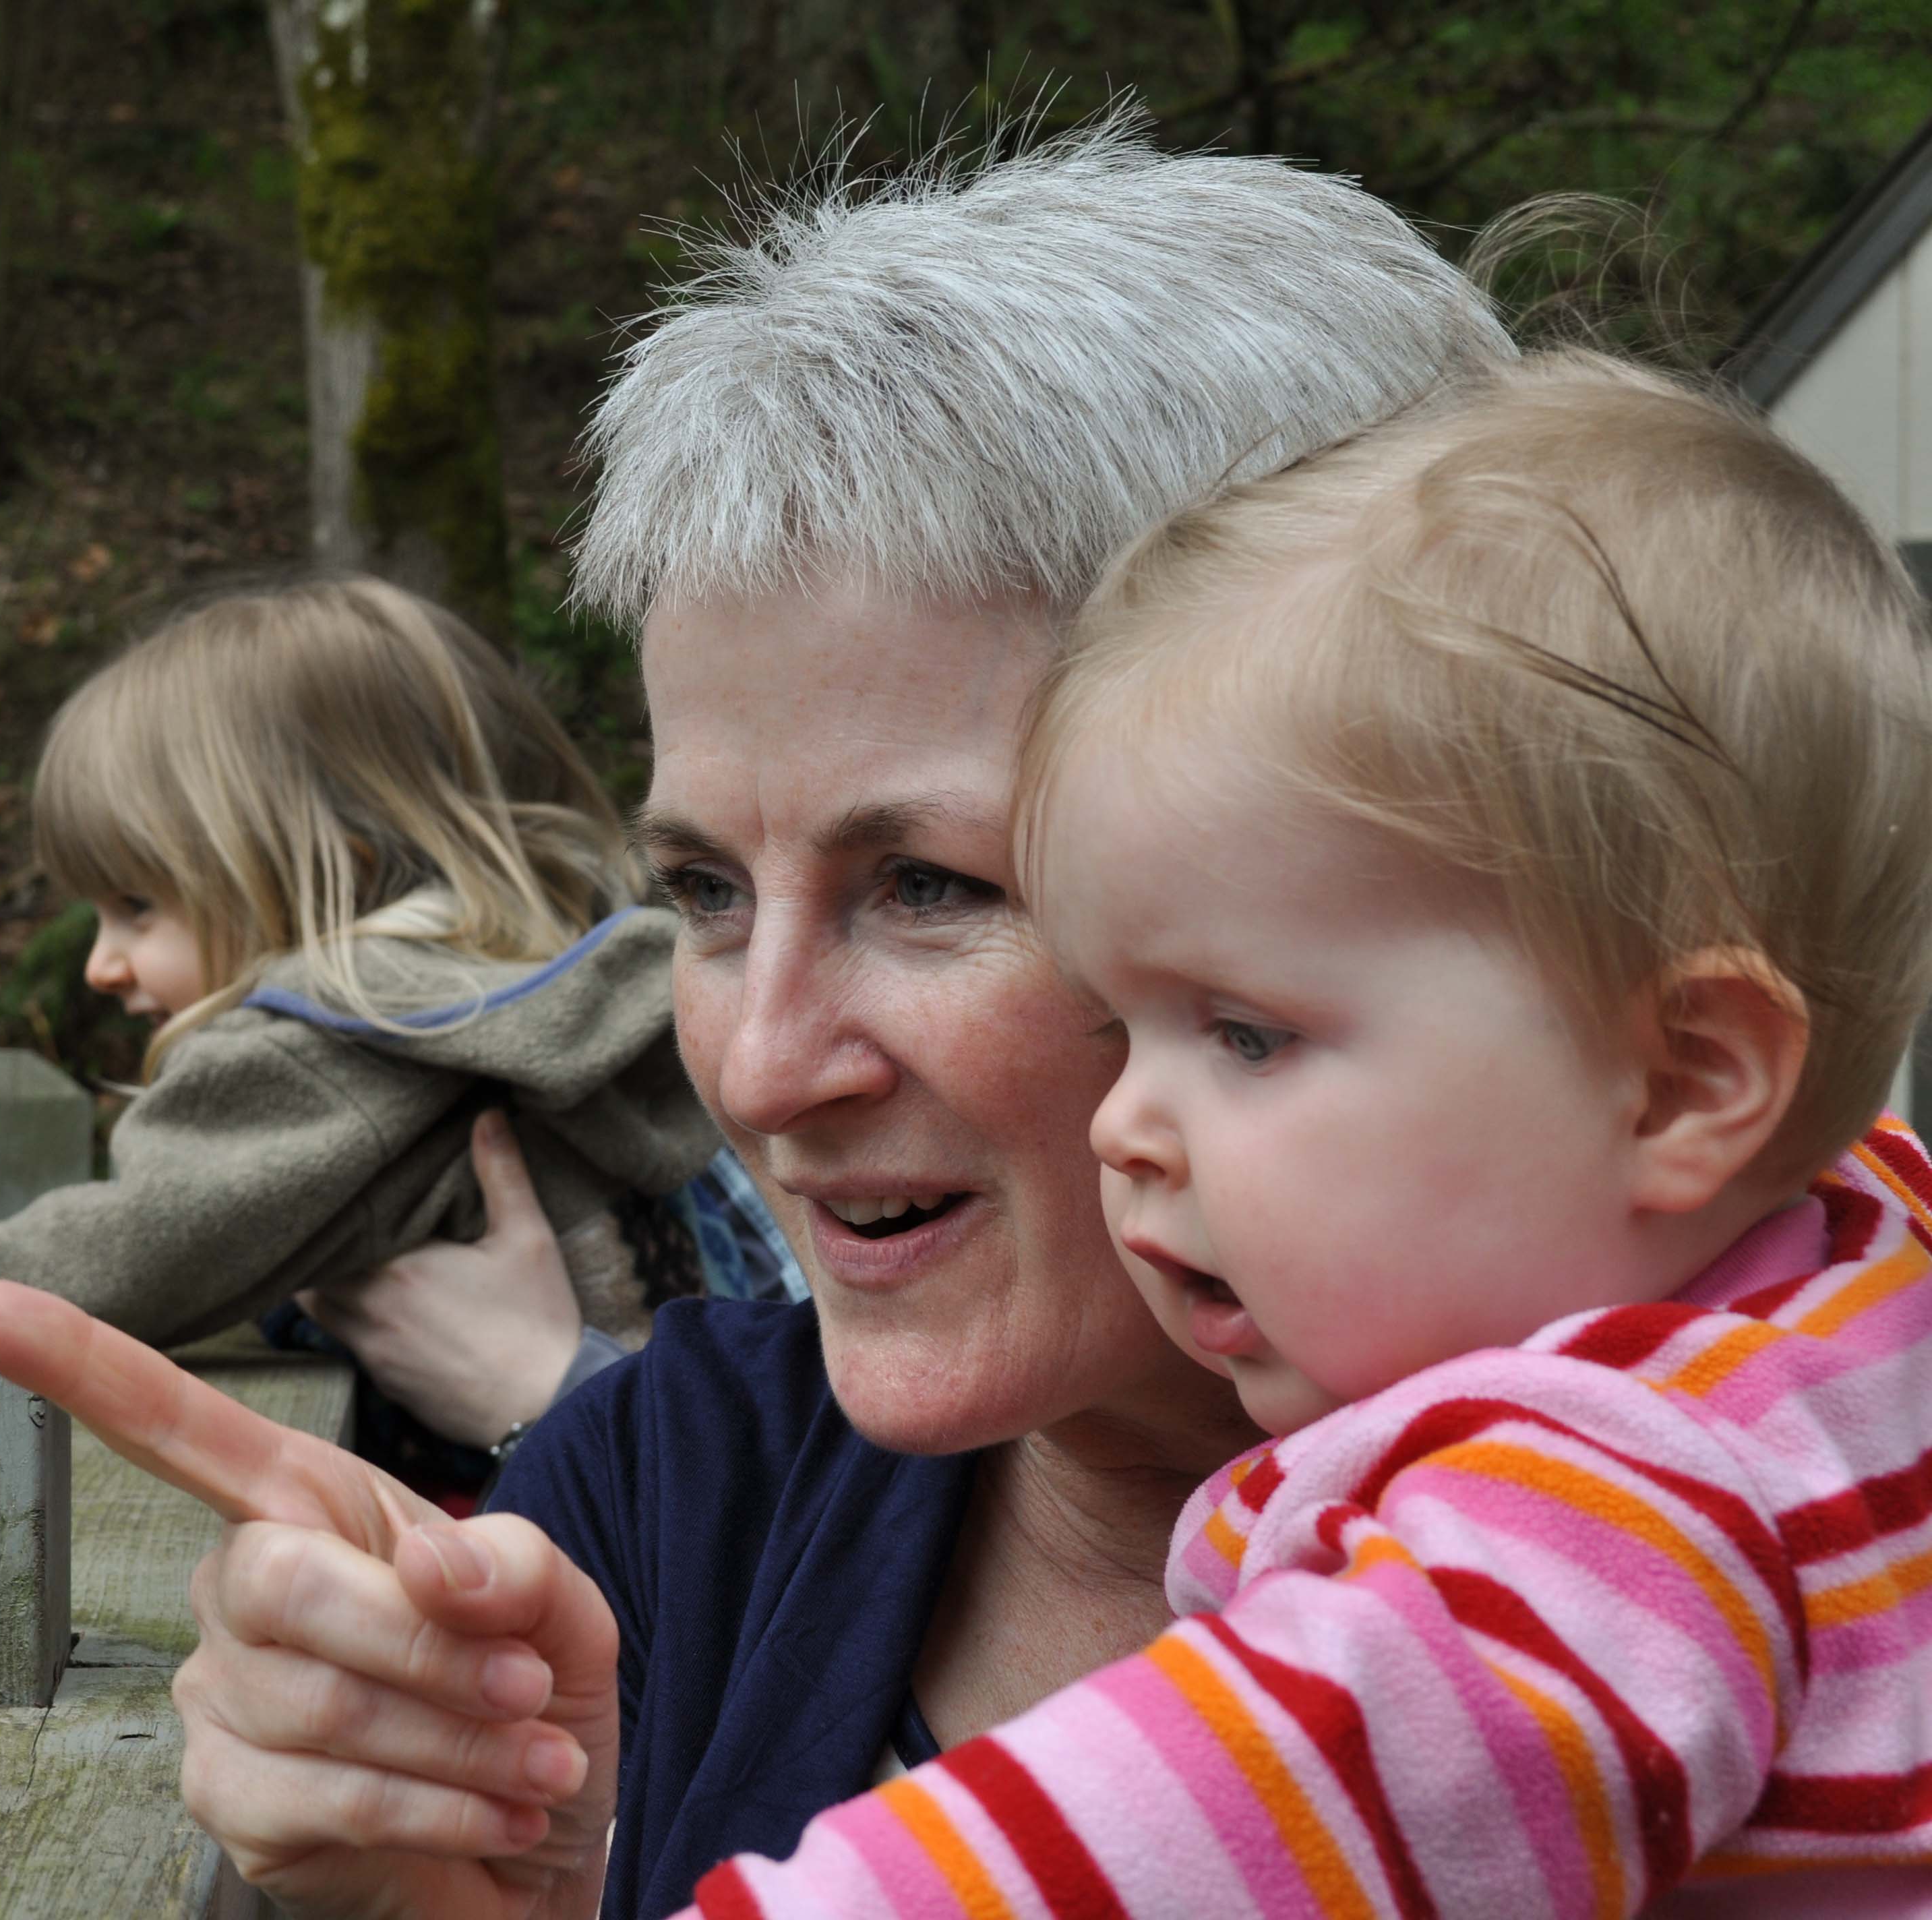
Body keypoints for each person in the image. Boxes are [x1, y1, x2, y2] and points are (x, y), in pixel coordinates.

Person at [0, 112, 1526, 1920]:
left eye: (929, 883)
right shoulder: (656, 1503)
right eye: (700, 891)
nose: (761, 1069)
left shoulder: (1749, 1605)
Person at [686, 354, 1932, 1915]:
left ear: (1684, 1078)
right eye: (1119, 1021)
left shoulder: (1595, 1525)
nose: (1124, 1124)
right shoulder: (1856, 1286)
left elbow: (1164, 1836)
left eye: (1245, 1033)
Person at [0, 576, 785, 1494]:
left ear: (321, 877)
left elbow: (69, 1277)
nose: (101, 965)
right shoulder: (543, 1003)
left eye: (137, 907)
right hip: (685, 1477)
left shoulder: (322, 1055)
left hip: (548, 1530)